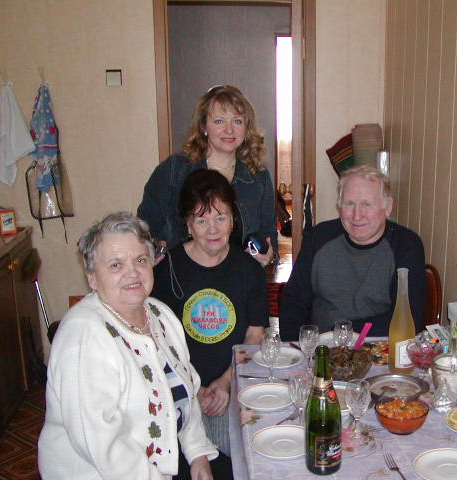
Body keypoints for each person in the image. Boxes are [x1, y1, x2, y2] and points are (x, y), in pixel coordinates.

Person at [38, 212, 217, 480]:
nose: (132, 272)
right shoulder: (83, 335)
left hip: (163, 462)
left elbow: (186, 391)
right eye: (115, 265)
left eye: (140, 260)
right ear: (92, 278)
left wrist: (197, 453)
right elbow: (102, 444)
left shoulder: (160, 315)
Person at [151, 169, 268, 480]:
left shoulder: (249, 270)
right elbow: (156, 339)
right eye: (201, 220)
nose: (213, 229)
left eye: (221, 217)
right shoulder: (165, 270)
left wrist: (226, 382)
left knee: (248, 456)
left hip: (232, 386)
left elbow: (255, 333)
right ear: (188, 224)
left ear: (233, 220)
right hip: (177, 392)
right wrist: (192, 387)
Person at [279, 165, 426, 341]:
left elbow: (409, 319)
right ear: (339, 205)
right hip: (321, 348)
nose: (357, 215)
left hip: (379, 347)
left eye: (366, 204)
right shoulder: (319, 238)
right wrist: (299, 347)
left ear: (387, 207)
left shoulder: (406, 245)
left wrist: (342, 332)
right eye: (349, 203)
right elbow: (294, 303)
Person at [138, 85, 277, 266]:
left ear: (247, 127)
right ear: (203, 126)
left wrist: (269, 255)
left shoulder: (258, 176)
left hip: (237, 276)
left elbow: (269, 236)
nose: (229, 130)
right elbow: (145, 228)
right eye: (219, 121)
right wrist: (155, 248)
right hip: (181, 276)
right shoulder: (174, 170)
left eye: (237, 121)